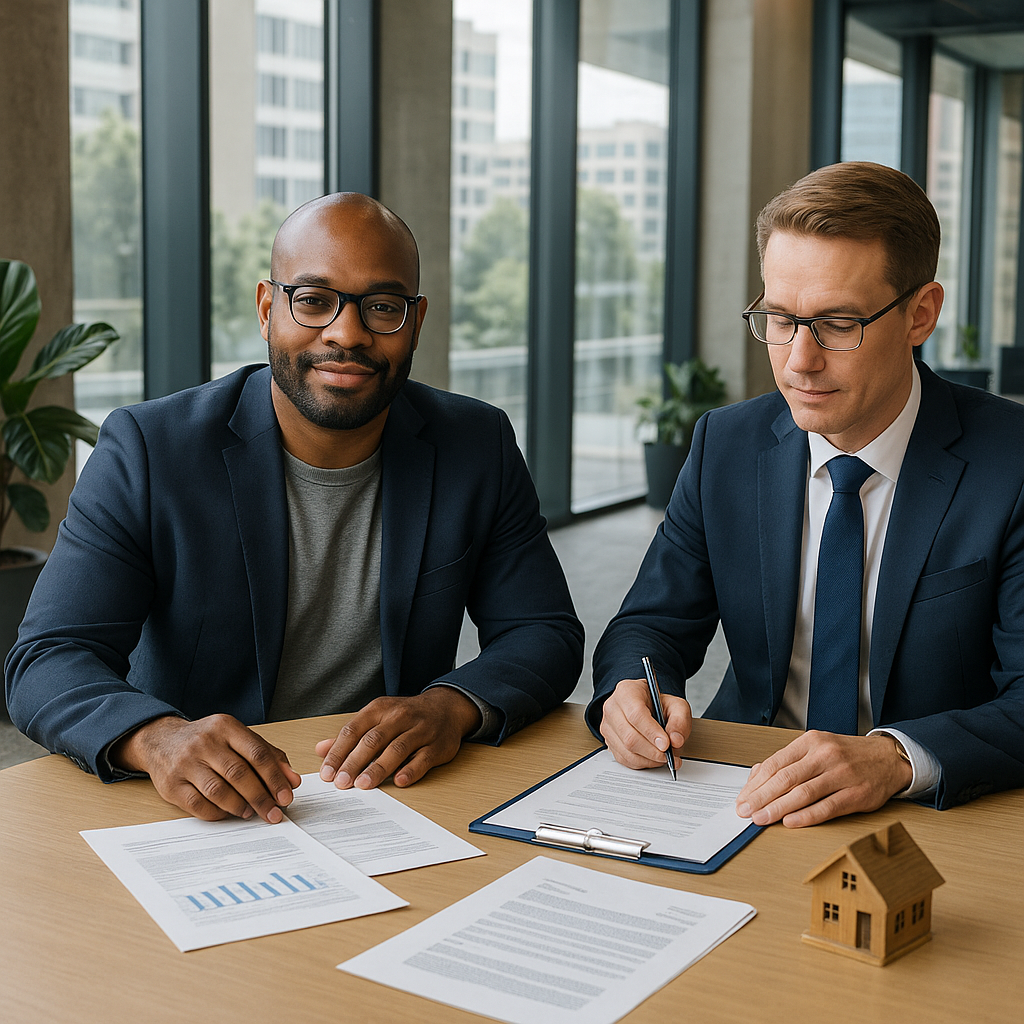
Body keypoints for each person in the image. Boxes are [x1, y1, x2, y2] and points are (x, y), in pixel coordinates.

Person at [6, 192, 583, 824]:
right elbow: (48, 657)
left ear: (415, 322)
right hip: (199, 808)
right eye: (313, 301)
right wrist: (158, 737)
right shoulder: (151, 450)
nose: (346, 333)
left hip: (388, 799)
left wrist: (449, 705)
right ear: (266, 308)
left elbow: (543, 632)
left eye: (382, 308)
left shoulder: (477, 443)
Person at [588, 161, 1024, 827]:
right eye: (780, 319)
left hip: (931, 811)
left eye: (838, 323)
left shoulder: (1011, 462)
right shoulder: (725, 445)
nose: (798, 360)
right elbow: (652, 624)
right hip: (740, 790)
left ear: (921, 314)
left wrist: (895, 758)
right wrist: (631, 688)